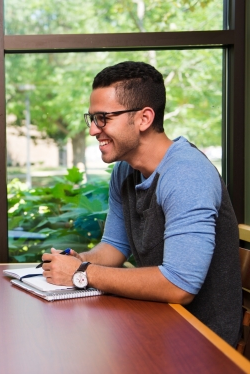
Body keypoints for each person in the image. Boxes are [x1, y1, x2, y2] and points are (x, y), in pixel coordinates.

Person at [42, 61, 241, 346]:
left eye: (104, 118)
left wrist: (81, 273)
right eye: (92, 118)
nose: (93, 130)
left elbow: (179, 285)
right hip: (153, 323)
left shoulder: (186, 174)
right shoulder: (125, 171)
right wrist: (81, 260)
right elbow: (114, 247)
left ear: (144, 118)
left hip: (200, 343)